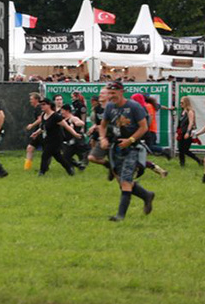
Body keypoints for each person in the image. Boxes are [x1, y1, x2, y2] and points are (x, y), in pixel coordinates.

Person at [98, 81, 154, 222]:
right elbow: (102, 125)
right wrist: (103, 138)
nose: (111, 97)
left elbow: (144, 127)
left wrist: (130, 140)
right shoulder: (109, 107)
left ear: (122, 92)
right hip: (115, 147)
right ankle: (147, 195)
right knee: (121, 181)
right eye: (109, 93)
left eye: (113, 93)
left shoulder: (134, 107)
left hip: (132, 148)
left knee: (126, 181)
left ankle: (120, 216)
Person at [30, 98, 78, 177]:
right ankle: (69, 169)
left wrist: (75, 134)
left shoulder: (56, 116)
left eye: (44, 104)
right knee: (58, 157)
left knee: (45, 155)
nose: (42, 106)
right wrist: (36, 133)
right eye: (41, 104)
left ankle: (41, 172)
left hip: (56, 140)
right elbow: (42, 127)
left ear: (49, 105)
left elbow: (66, 126)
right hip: (47, 139)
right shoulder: (43, 115)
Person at [59, 103, 89, 170]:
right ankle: (78, 165)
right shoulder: (63, 119)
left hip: (77, 141)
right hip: (70, 143)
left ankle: (83, 160)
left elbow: (81, 122)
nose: (61, 112)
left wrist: (77, 123)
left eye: (62, 110)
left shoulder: (72, 118)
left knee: (82, 153)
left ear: (66, 110)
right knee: (65, 157)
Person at [176, 96, 202, 167]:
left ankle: (198, 160)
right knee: (180, 149)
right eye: (180, 102)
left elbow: (191, 123)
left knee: (185, 150)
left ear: (186, 103)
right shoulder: (182, 112)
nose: (180, 104)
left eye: (182, 102)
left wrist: (188, 132)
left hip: (187, 132)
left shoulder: (190, 111)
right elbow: (180, 123)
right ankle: (182, 164)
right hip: (181, 132)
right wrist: (177, 132)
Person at [24, 92, 44, 171]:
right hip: (37, 132)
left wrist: (32, 125)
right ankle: (27, 168)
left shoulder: (39, 108)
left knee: (48, 152)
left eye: (31, 99)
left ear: (36, 100)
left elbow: (40, 119)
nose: (30, 101)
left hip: (41, 131)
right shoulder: (37, 108)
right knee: (30, 148)